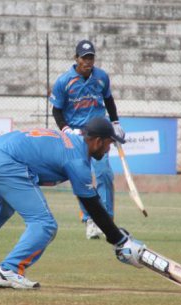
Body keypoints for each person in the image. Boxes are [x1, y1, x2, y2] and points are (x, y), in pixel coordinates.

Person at [0, 118, 146, 289]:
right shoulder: (77, 159)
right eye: (109, 143)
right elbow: (92, 205)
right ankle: (9, 270)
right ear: (98, 141)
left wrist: (116, 236)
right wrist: (119, 240)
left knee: (0, 209)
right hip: (6, 162)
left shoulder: (74, 143)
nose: (109, 149)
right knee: (44, 224)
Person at [49, 40, 126, 239]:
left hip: (99, 133)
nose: (88, 62)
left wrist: (116, 123)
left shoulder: (101, 77)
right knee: (82, 177)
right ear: (76, 58)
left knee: (104, 175)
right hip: (77, 137)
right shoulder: (64, 81)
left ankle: (106, 221)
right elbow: (56, 110)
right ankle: (90, 221)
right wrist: (66, 129)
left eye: (91, 57)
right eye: (84, 58)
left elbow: (109, 100)